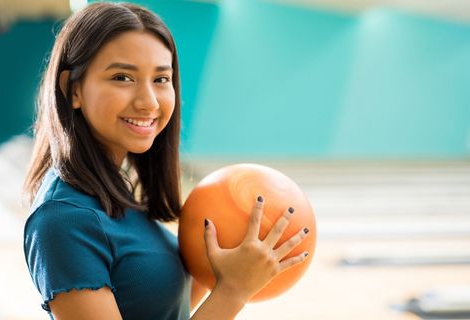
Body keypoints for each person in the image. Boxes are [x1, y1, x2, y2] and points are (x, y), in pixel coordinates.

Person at [22, 2, 310, 319]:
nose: (148, 102)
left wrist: (222, 263)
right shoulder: (64, 219)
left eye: (161, 79)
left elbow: (164, 308)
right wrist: (233, 291)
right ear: (72, 89)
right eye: (122, 77)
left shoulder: (115, 193)